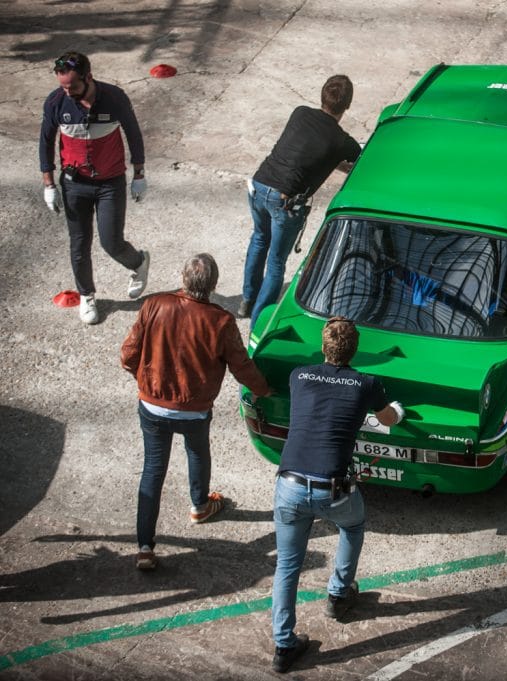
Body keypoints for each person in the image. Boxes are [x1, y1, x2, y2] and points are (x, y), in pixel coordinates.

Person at [120, 254, 271, 571]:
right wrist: (264, 390)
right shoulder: (221, 321)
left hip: (151, 405)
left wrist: (144, 379)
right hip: (194, 410)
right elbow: (241, 366)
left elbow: (128, 354)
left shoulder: (154, 305)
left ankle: (145, 548)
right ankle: (200, 505)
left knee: (153, 471)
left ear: (183, 278)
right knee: (198, 452)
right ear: (213, 285)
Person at [270, 317, 403, 673]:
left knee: (287, 565)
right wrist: (398, 411)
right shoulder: (366, 383)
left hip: (289, 486)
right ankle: (339, 593)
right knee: (353, 526)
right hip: (333, 489)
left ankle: (284, 646)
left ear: (323, 347)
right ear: (355, 350)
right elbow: (388, 418)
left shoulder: (299, 376)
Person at [39, 51, 151, 325]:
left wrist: (139, 173)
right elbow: (46, 142)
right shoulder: (56, 103)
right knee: (79, 244)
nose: (67, 92)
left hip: (109, 183)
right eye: (63, 86)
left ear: (88, 77)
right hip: (74, 184)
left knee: (111, 242)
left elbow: (133, 133)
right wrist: (49, 184)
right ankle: (87, 294)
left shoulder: (114, 98)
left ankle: (137, 263)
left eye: (72, 86)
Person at [241, 75, 363, 325]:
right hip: (285, 202)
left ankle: (247, 300)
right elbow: (359, 158)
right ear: (347, 106)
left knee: (258, 240)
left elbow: (308, 149)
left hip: (259, 185)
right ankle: (258, 322)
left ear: (321, 96)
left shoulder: (299, 113)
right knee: (276, 263)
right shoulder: (341, 141)